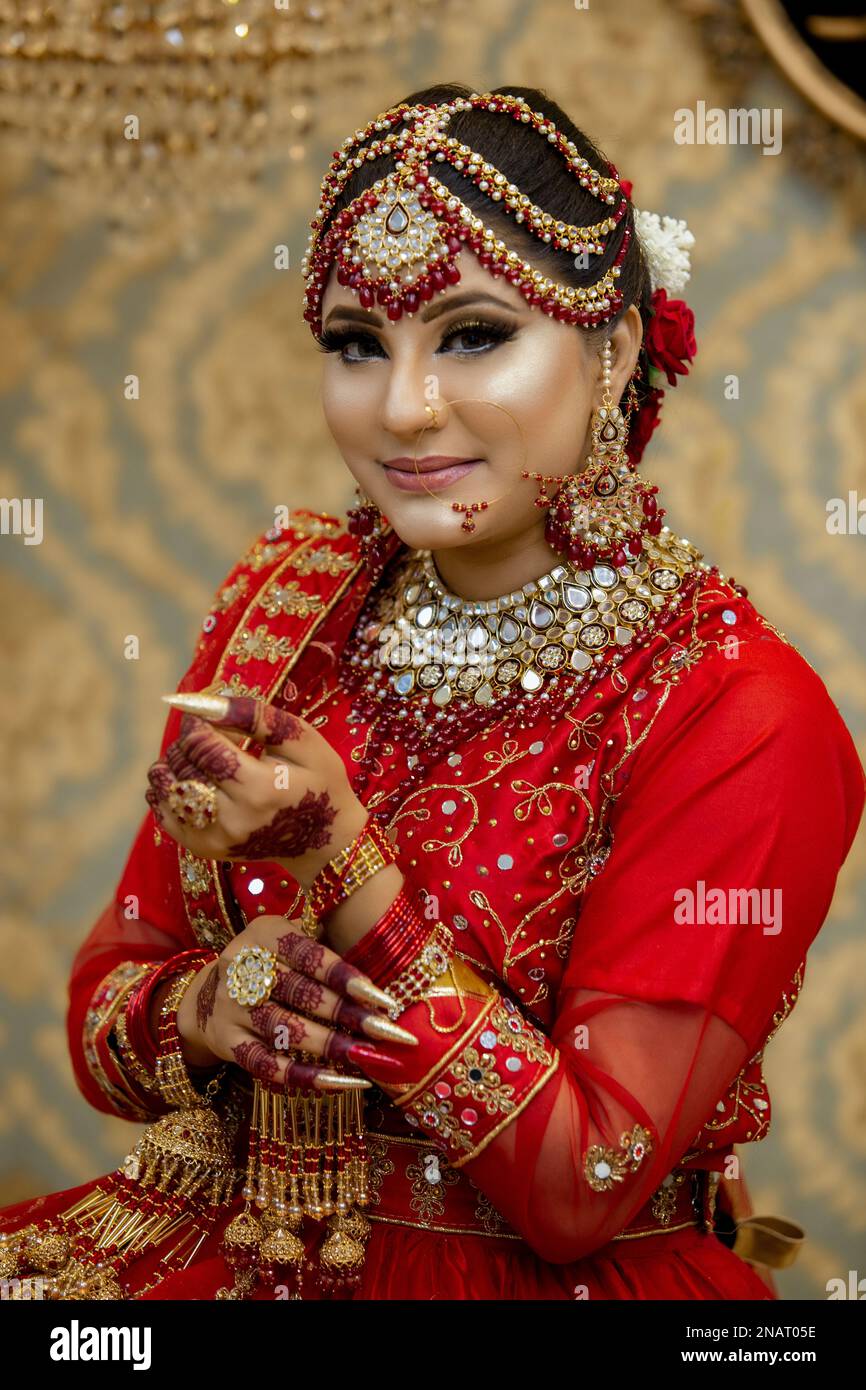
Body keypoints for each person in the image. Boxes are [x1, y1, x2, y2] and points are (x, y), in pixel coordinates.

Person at [1, 82, 863, 1303]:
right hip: (215, 1248)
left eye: (471, 334)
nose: (403, 408)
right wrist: (209, 1007)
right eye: (357, 345)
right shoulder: (287, 597)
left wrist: (343, 866)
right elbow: (105, 1012)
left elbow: (583, 1180)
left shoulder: (735, 713)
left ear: (612, 348)